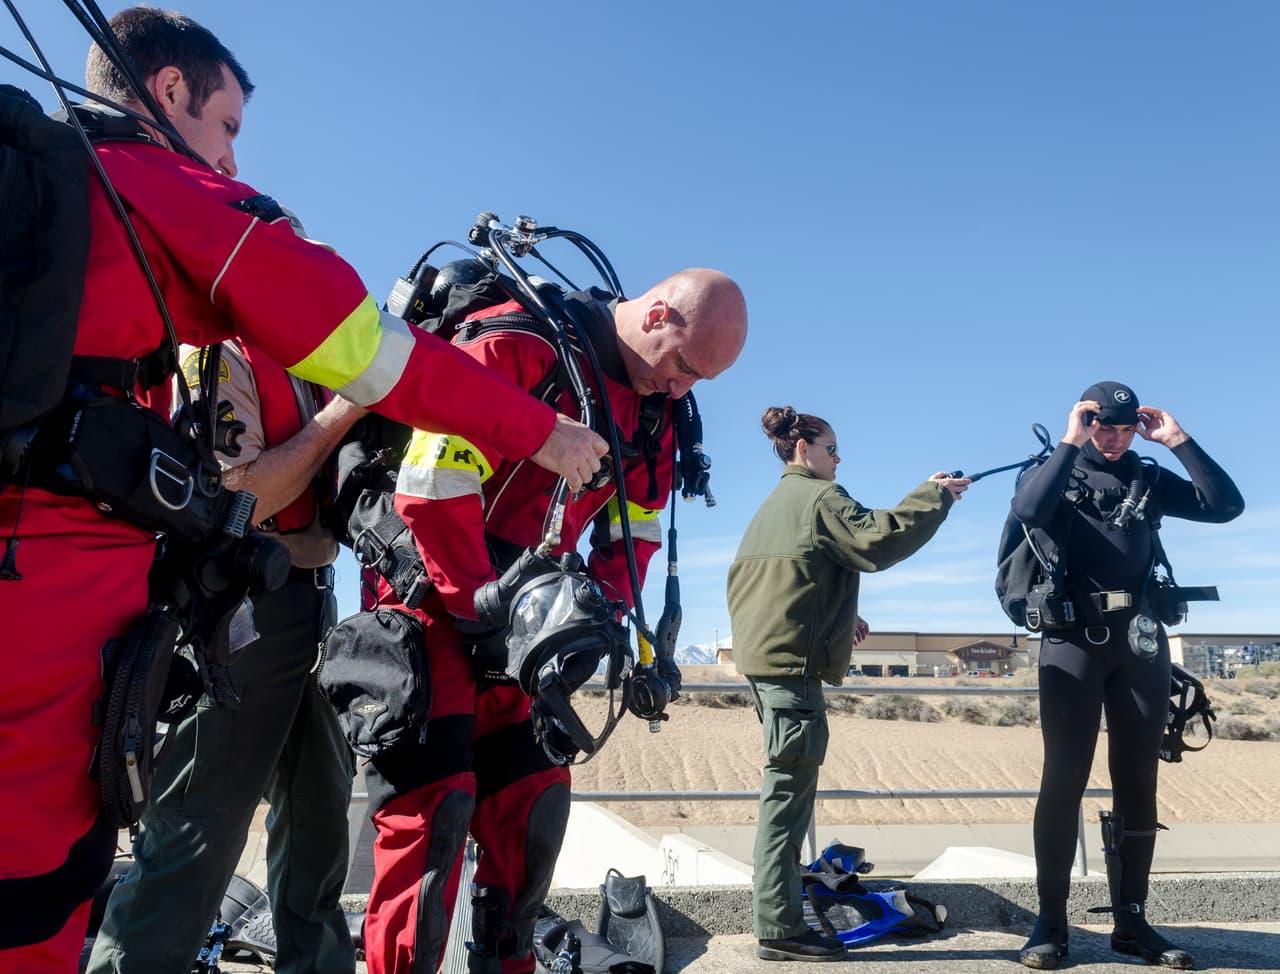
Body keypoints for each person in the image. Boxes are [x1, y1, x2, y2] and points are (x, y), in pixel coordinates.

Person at [0, 9, 605, 973]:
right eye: (227, 127)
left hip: (193, 587)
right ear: (167, 95)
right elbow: (364, 358)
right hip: (109, 593)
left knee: (308, 833)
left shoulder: (62, 206)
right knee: (90, 870)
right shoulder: (157, 199)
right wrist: (536, 427)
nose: (235, 168)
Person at [361, 268, 747, 974]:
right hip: (432, 599)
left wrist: (585, 627)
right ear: (657, 314)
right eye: (685, 367)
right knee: (432, 814)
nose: (683, 390)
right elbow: (429, 483)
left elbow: (638, 528)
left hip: (526, 625)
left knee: (533, 804)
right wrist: (478, 608)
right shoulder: (521, 341)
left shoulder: (656, 412)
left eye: (702, 383)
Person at [86, 319, 362, 972]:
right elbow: (247, 492)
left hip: (316, 607)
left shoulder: (311, 356)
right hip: (239, 608)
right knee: (195, 829)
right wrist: (348, 410)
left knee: (321, 820)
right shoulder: (215, 354)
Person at [1011, 380, 1243, 971]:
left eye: (1123, 429)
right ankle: (1050, 923)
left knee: (1138, 779)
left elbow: (1224, 506)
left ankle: (1132, 923)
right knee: (1063, 779)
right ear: (1086, 421)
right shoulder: (1054, 472)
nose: (1113, 440)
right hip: (1072, 643)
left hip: (1140, 644)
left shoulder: (1148, 476)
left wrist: (1178, 441)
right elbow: (1029, 511)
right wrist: (1069, 440)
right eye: (1101, 427)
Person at [726, 407, 968, 963]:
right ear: (803, 449)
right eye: (832, 449)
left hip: (770, 669)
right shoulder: (819, 497)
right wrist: (934, 496)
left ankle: (780, 921)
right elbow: (875, 542)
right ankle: (780, 930)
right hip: (792, 676)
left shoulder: (774, 506)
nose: (838, 459)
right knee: (786, 803)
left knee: (785, 796)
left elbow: (784, 582)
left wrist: (838, 619)